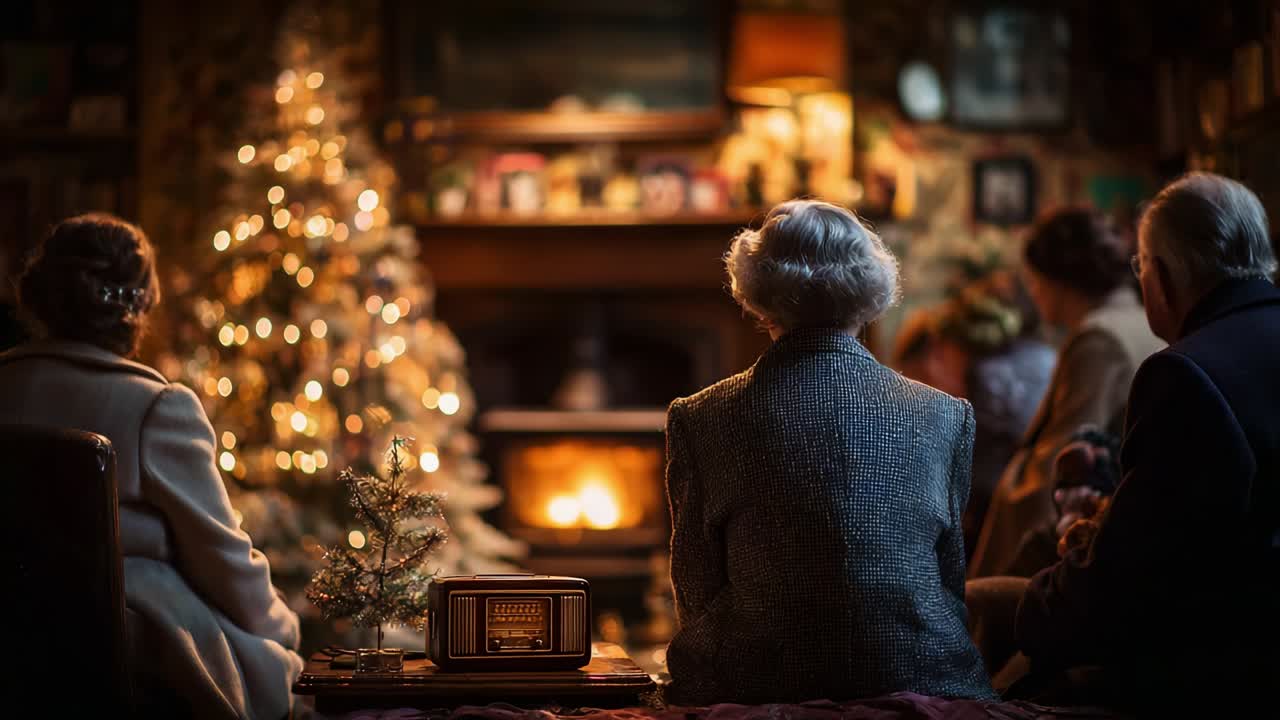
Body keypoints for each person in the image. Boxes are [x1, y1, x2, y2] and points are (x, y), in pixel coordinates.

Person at [663, 200, 993, 705]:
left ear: (757, 295)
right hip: (927, 678)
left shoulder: (702, 416)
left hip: (753, 681)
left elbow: (696, 589)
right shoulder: (947, 415)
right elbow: (949, 584)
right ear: (872, 290)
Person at [0, 214, 302, 718]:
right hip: (124, 660)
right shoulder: (157, 407)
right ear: (139, 304)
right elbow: (222, 559)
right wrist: (284, 628)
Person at [1015, 173, 1280, 709]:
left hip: (1220, 671)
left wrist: (1035, 604)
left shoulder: (1184, 374)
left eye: (1141, 267)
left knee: (995, 610)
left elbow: (1126, 582)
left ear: (1162, 275)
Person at [969, 209, 1164, 578]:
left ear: (1057, 279)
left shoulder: (1099, 338)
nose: (1033, 292)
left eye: (1034, 280)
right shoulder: (1136, 318)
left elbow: (1061, 456)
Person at [895, 271, 1056, 556]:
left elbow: (972, 476)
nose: (921, 392)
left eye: (916, 378)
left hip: (1024, 512)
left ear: (936, 353)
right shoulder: (1034, 355)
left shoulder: (986, 382)